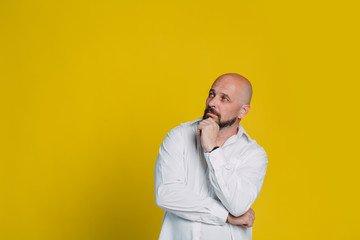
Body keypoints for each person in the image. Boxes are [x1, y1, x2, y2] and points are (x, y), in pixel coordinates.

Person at [154, 73, 268, 240]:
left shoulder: (254, 154)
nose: (212, 102)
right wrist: (225, 217)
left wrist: (212, 150)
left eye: (224, 99)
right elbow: (166, 194)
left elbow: (237, 205)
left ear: (243, 111)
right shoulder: (178, 136)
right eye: (212, 94)